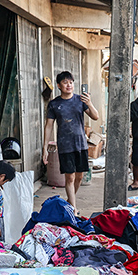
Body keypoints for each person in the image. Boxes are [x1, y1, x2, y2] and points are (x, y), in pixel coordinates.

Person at [43, 71, 99, 213]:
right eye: (65, 82)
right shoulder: (54, 104)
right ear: (59, 86)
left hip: (80, 144)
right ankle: (73, 208)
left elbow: (96, 117)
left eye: (71, 82)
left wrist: (90, 103)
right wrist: (45, 147)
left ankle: (70, 200)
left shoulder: (80, 100)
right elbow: (48, 126)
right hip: (65, 145)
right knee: (70, 177)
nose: (69, 85)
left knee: (79, 177)